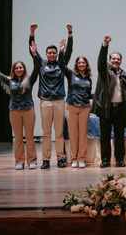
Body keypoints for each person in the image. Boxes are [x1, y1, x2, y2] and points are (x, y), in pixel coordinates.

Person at [0, 42, 40, 170]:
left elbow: (37, 67)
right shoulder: (10, 80)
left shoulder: (29, 79)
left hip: (28, 110)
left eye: (21, 67)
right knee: (18, 138)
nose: (19, 69)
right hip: (14, 111)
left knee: (29, 137)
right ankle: (19, 161)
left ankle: (32, 161)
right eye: (17, 68)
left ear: (24, 69)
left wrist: (34, 55)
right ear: (14, 70)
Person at [29, 24, 73, 169]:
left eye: (54, 52)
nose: (52, 54)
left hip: (60, 101)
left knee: (59, 133)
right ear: (46, 54)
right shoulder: (41, 64)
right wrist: (32, 33)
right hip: (46, 102)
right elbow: (32, 51)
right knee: (46, 133)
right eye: (50, 53)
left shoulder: (62, 63)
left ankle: (61, 158)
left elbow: (69, 51)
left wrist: (70, 34)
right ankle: (46, 159)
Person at [92, 35, 126, 168]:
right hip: (106, 108)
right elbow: (101, 62)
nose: (115, 60)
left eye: (118, 59)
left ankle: (120, 159)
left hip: (120, 109)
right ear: (110, 60)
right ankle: (105, 160)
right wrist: (105, 45)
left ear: (120, 61)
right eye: (113, 58)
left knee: (120, 136)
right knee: (105, 136)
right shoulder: (105, 72)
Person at [58, 39, 92, 168]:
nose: (81, 64)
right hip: (71, 107)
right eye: (79, 62)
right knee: (73, 134)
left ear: (86, 64)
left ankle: (82, 158)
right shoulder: (71, 74)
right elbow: (61, 65)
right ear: (76, 64)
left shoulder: (89, 77)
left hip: (84, 108)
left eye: (83, 62)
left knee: (83, 134)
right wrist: (61, 51)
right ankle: (74, 158)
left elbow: (88, 94)